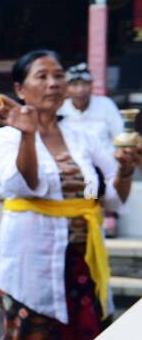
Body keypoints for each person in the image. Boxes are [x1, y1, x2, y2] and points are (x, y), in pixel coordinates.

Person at [0, 50, 141, 340]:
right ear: (20, 88)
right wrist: (28, 135)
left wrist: (125, 170)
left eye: (59, 76)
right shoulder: (4, 138)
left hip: (82, 265)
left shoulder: (82, 138)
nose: (54, 83)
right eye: (42, 76)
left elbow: (110, 198)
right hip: (31, 269)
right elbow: (23, 184)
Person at [59, 63, 126, 236]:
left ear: (91, 85)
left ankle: (109, 213)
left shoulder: (105, 105)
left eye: (84, 84)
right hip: (73, 163)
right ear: (67, 88)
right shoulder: (61, 109)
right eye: (74, 85)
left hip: (104, 162)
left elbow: (120, 134)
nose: (80, 89)